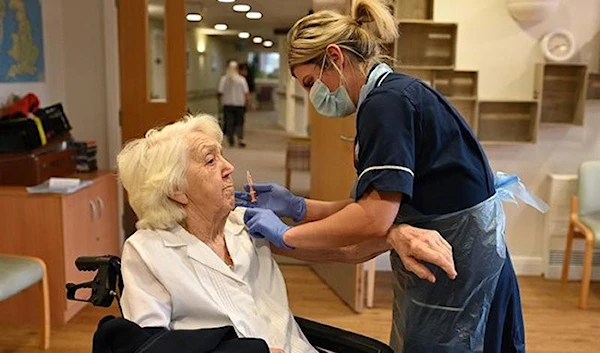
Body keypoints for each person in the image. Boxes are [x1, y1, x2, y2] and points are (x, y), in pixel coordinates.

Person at [236, 0, 548, 352]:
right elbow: (374, 205)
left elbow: (372, 220)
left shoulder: (386, 105)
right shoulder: (396, 94)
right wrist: (296, 205)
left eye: (310, 82)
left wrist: (287, 233)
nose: (312, 96)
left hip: (458, 275)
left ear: (335, 57)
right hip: (454, 264)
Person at [117, 113, 406, 353]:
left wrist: (393, 234)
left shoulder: (244, 222)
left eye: (222, 156)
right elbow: (149, 346)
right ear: (176, 190)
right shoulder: (147, 251)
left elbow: (348, 251)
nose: (229, 168)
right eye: (210, 161)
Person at [218, 60, 249, 147]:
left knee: (229, 122)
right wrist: (247, 103)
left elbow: (220, 92)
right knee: (239, 122)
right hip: (240, 105)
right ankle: (240, 138)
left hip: (227, 104)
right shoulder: (241, 80)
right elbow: (246, 93)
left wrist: (220, 103)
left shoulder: (223, 79)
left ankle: (230, 139)